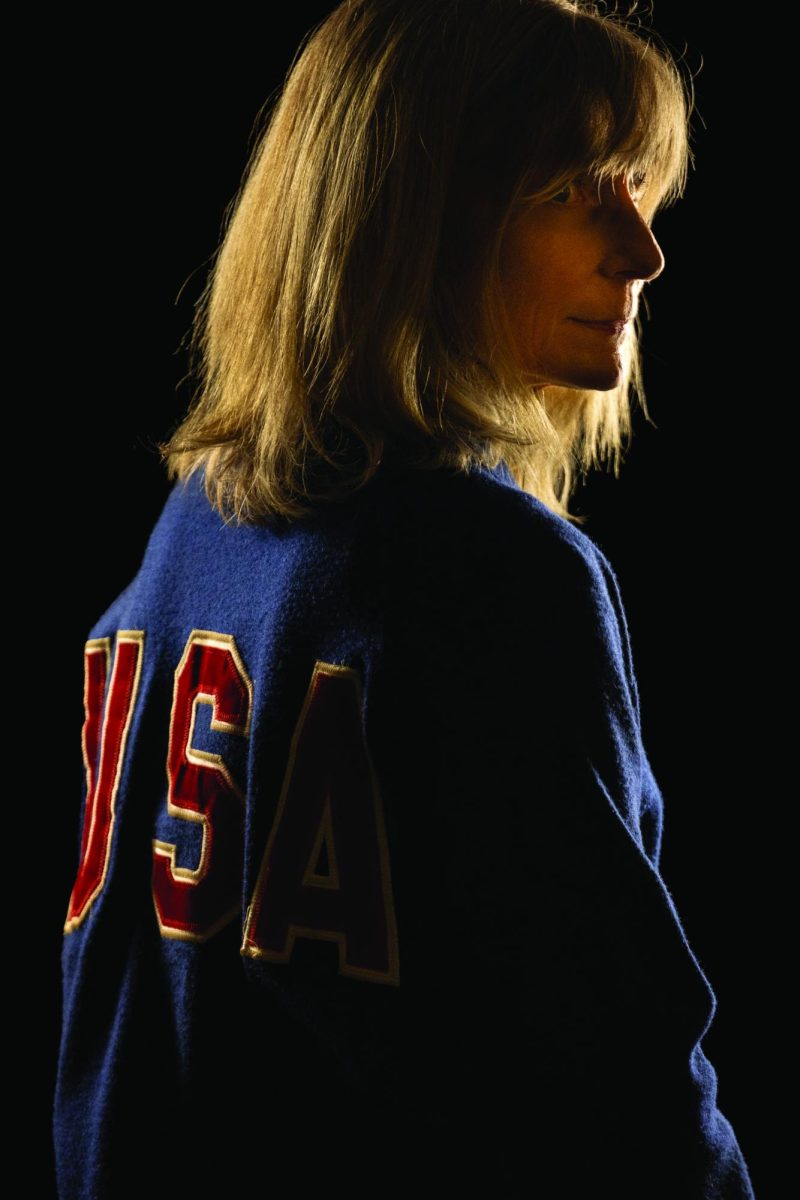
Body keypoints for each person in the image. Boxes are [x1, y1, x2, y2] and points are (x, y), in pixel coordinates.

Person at [54, 1, 757, 1197]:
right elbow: (630, 1097)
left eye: (636, 186)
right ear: (417, 223)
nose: (640, 252)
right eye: (576, 187)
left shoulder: (190, 529)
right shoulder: (496, 571)